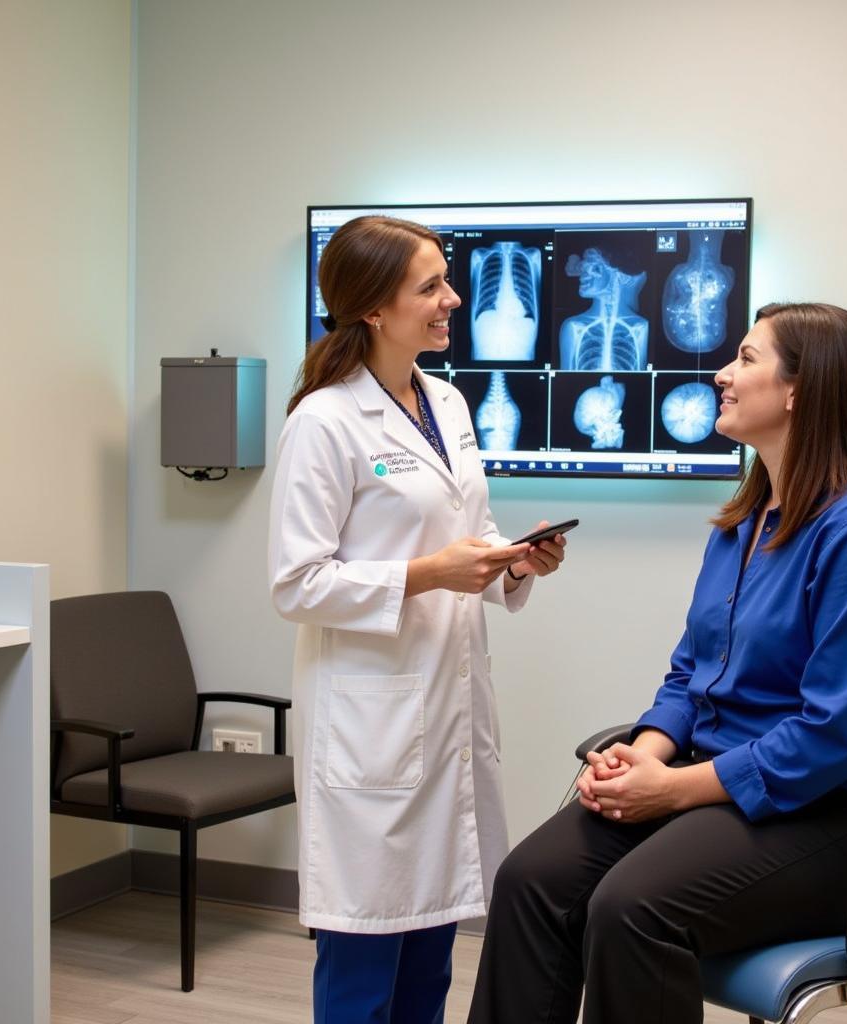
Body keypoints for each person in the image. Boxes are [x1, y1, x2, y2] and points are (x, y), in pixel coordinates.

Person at [468, 302, 847, 1024]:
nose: (722, 372)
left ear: (798, 391)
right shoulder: (743, 525)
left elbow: (833, 735)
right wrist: (642, 754)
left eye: (747, 358)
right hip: (721, 783)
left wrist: (674, 788)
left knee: (632, 909)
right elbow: (693, 674)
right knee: (531, 881)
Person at [268, 215, 568, 1024]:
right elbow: (295, 584)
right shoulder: (324, 422)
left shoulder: (446, 400)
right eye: (430, 285)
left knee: (430, 963)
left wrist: (511, 560)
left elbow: (460, 528)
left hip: (447, 714)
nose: (453, 298)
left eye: (448, 280)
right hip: (372, 724)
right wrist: (429, 575)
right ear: (372, 307)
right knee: (364, 967)